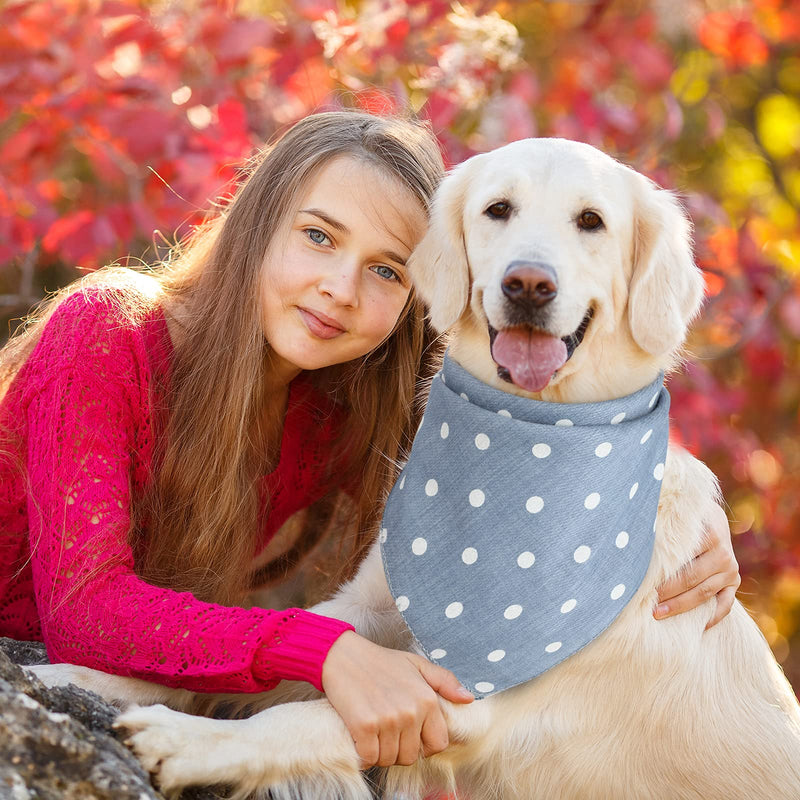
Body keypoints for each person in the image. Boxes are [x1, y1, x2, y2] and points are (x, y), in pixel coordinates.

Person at [0, 109, 740, 770]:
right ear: (257, 224)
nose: (341, 288)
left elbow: (533, 448)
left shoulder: (343, 396)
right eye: (318, 236)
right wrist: (325, 651)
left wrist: (676, 502)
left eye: (386, 269)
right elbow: (86, 610)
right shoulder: (105, 333)